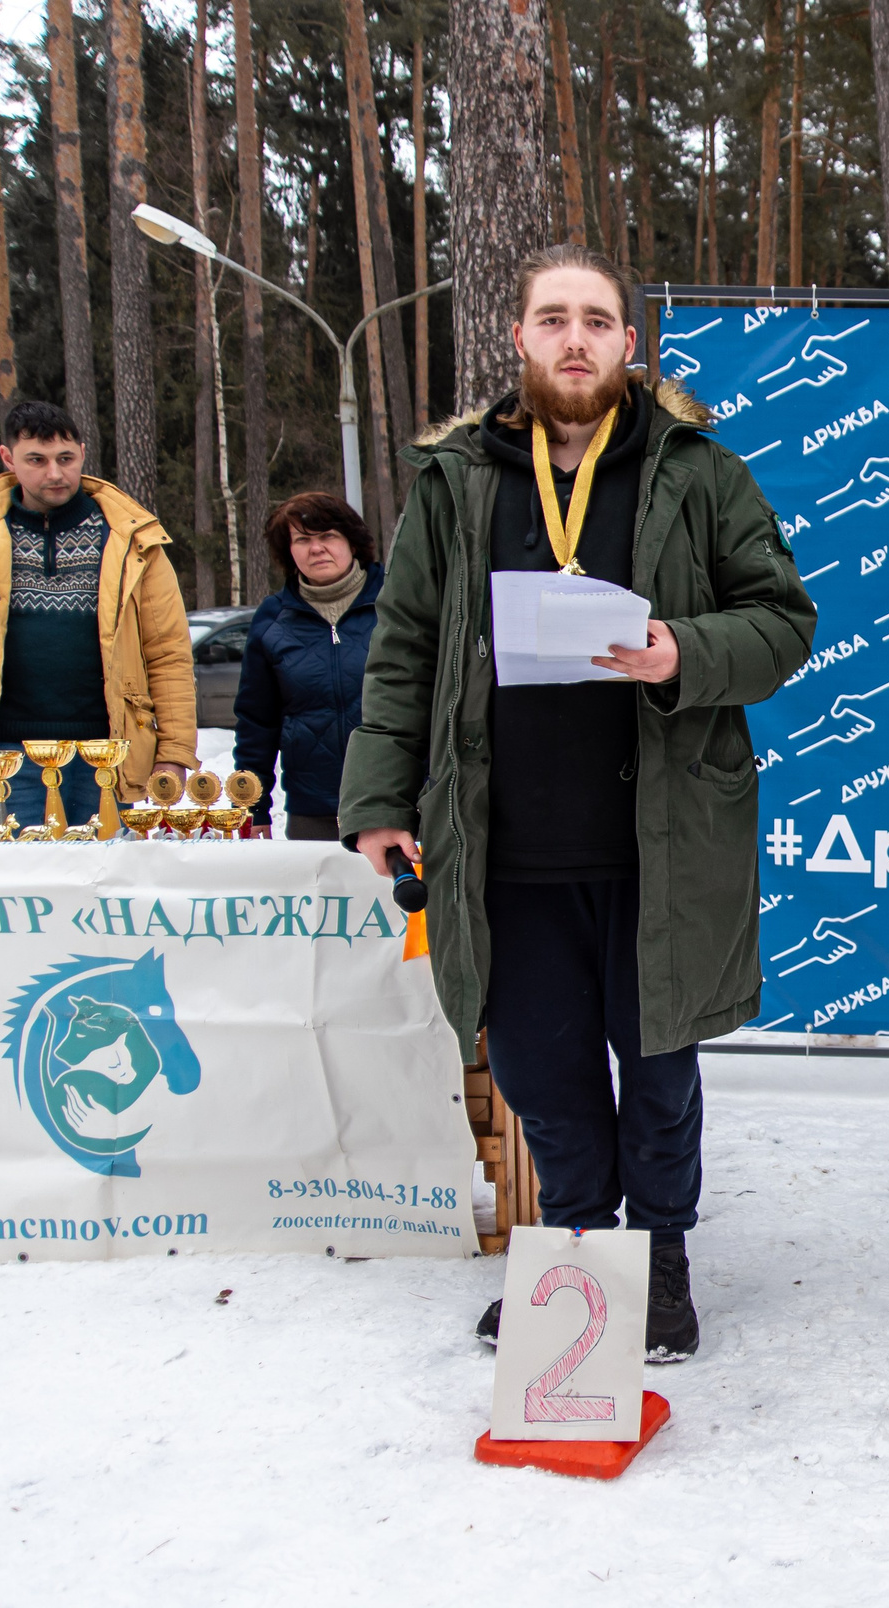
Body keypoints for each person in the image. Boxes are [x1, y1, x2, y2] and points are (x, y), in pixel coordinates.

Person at [341, 244, 814, 1361]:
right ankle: (578, 1254)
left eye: (595, 320)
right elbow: (403, 646)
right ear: (519, 339)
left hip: (660, 839)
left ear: (628, 346)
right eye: (552, 318)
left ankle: (659, 1265)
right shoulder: (459, 480)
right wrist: (376, 795)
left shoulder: (698, 471)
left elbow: (783, 620)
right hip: (504, 840)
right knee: (541, 1071)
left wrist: (679, 651)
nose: (574, 339)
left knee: (657, 1066)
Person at [0, 398, 195, 824]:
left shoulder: (133, 538)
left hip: (107, 753)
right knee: (13, 889)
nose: (55, 473)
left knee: (105, 888)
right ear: (8, 459)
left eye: (66, 458)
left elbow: (167, 651)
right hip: (3, 756)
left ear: (83, 451)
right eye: (37, 460)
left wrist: (173, 752)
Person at [235, 493, 382, 840]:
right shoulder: (272, 620)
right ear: (288, 551)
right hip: (313, 812)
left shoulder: (399, 601)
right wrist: (253, 808)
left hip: (403, 803)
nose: (317, 549)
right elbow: (257, 723)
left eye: (328, 535)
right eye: (303, 539)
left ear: (352, 542)